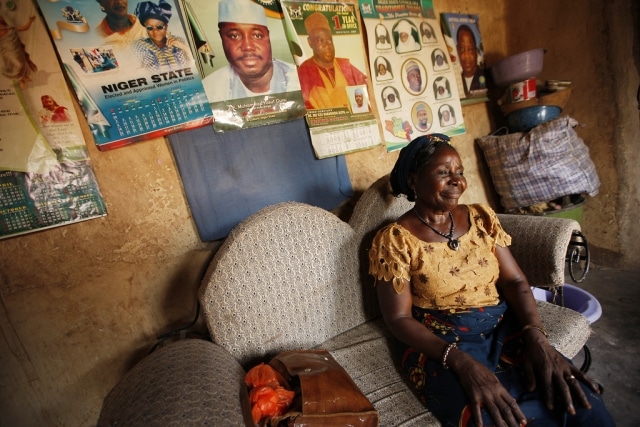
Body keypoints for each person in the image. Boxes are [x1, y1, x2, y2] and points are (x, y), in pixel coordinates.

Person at [368, 134, 615, 427]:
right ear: (413, 179)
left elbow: (515, 283)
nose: (457, 181)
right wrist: (459, 361)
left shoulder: (481, 219)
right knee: (489, 417)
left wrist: (535, 335)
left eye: (459, 172)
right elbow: (397, 318)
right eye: (443, 173)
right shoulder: (395, 239)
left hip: (502, 327)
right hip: (442, 343)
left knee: (578, 398)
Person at [202, 0, 300, 103]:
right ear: (221, 37)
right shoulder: (209, 91)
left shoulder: (299, 80)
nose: (248, 46)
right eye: (234, 36)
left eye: (257, 35)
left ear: (268, 36)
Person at [297, 12, 368, 110]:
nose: (327, 45)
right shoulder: (304, 71)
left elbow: (367, 89)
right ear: (310, 42)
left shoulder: (345, 66)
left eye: (329, 40)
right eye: (321, 41)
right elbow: (303, 106)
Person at [131, 0, 191, 71]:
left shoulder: (179, 41)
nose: (155, 31)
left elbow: (192, 64)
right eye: (150, 28)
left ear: (166, 27)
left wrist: (183, 47)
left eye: (159, 27)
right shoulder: (138, 45)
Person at [456, 25, 486, 97]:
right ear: (458, 51)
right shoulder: (457, 81)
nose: (466, 55)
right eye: (462, 49)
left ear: (476, 52)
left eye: (470, 49)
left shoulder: (484, 77)